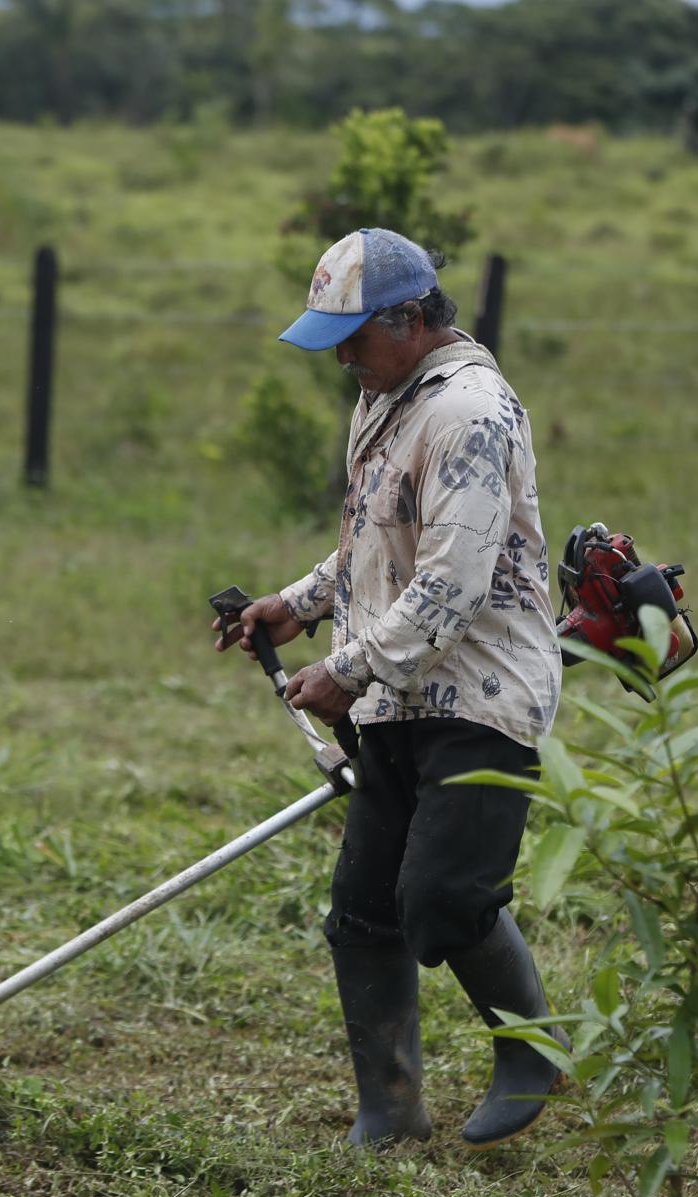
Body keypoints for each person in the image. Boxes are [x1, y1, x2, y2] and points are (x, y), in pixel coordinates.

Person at [213, 227, 565, 1149]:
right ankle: (392, 1108)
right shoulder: (389, 395)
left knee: (444, 900)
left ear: (411, 320)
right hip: (401, 695)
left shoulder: (471, 414)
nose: (342, 359)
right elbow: (375, 539)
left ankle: (533, 1053)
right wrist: (294, 607)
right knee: (363, 914)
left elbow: (451, 584)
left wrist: (346, 667)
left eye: (354, 337)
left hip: (480, 698)